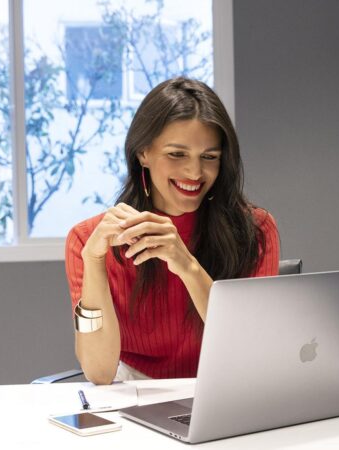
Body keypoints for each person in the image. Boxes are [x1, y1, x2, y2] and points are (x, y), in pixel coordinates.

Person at [64, 77, 280, 384]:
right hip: (134, 393)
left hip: (227, 385)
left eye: (209, 157)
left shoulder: (256, 230)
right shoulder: (87, 240)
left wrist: (188, 266)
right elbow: (99, 372)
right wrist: (95, 262)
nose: (194, 172)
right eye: (177, 154)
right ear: (143, 153)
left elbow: (250, 347)